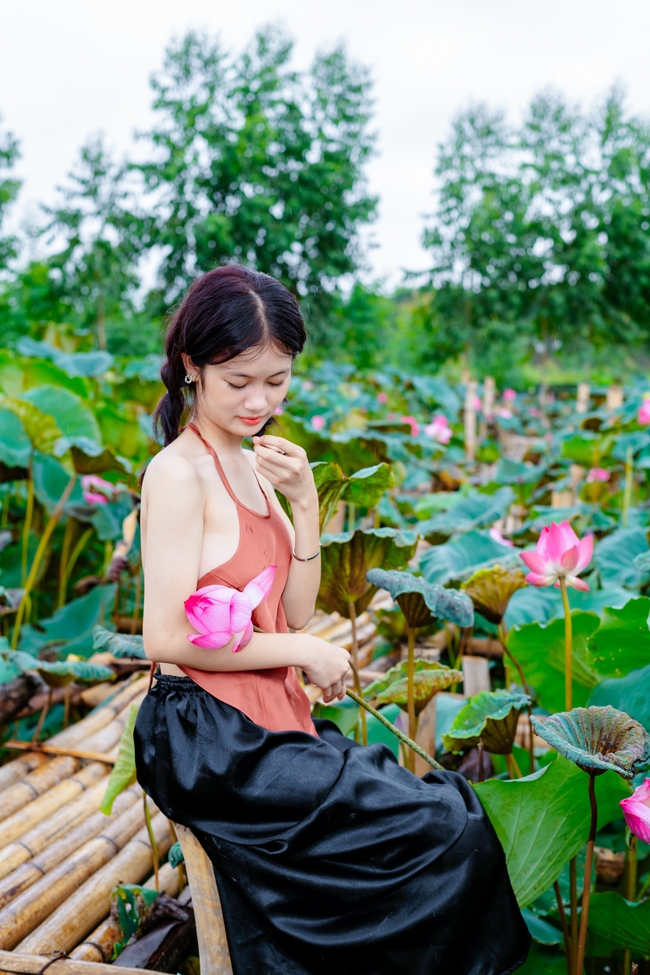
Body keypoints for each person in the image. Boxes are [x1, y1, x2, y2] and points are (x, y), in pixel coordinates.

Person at [134, 265, 530, 975]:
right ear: (192, 367)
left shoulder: (256, 464)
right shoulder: (176, 473)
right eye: (239, 380)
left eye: (277, 380)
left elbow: (292, 609)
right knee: (446, 827)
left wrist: (308, 505)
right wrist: (302, 651)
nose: (259, 400)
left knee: (455, 813)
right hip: (208, 735)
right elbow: (165, 637)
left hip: (264, 717)